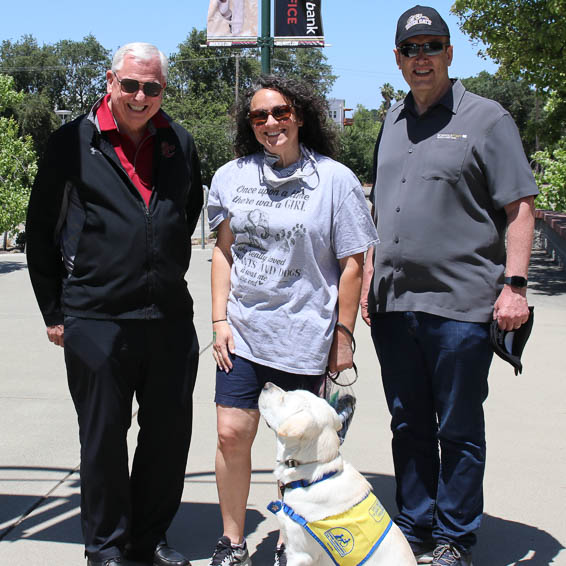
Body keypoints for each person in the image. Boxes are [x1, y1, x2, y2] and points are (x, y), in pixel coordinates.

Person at [360, 6, 539, 566]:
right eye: (411, 49)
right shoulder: (390, 121)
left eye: (432, 46)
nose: (422, 58)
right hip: (393, 305)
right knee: (407, 421)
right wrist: (368, 274)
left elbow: (520, 206)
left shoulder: (487, 119)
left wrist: (514, 286)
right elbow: (378, 208)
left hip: (462, 306)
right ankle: (414, 526)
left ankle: (454, 537)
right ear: (397, 58)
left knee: (458, 426)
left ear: (449, 53)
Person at [26, 42, 203, 566]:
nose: (140, 96)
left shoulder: (178, 141)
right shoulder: (71, 143)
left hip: (168, 318)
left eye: (152, 87)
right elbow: (40, 230)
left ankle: (148, 539)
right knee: (102, 440)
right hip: (97, 317)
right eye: (131, 84)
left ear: (162, 90)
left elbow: (185, 211)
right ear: (111, 81)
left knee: (168, 439)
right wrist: (54, 310)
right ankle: (105, 546)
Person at [207, 75, 378, 566]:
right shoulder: (230, 177)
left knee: (297, 449)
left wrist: (343, 337)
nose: (271, 123)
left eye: (280, 112)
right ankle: (233, 542)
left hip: (305, 335)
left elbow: (352, 263)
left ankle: (290, 543)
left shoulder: (336, 180)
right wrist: (219, 319)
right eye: (259, 116)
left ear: (300, 115)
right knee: (231, 434)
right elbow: (223, 253)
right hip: (242, 333)